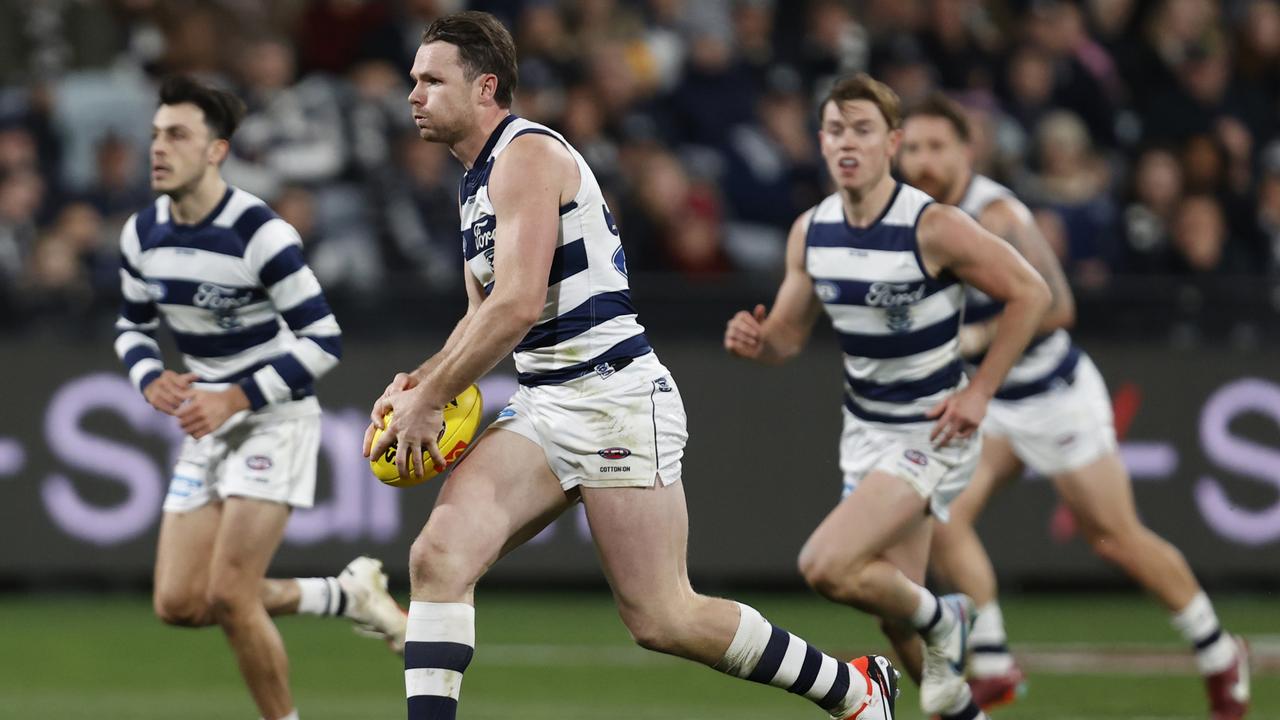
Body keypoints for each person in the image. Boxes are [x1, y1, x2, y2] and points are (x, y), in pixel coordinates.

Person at [362, 12, 898, 720]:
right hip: (547, 404)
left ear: (485, 86)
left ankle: (854, 690)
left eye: (432, 80)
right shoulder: (474, 182)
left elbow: (519, 304)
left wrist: (434, 394)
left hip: (614, 396)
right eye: (413, 81)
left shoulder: (525, 155)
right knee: (438, 557)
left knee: (663, 617)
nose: (415, 94)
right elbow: (479, 316)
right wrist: (417, 383)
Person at [898, 92, 1251, 719]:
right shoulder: (916, 217)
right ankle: (996, 661)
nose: (924, 160)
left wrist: (974, 339)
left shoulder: (997, 213)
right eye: (914, 148)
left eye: (937, 146)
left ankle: (1219, 649)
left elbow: (1058, 306)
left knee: (1114, 538)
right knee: (940, 514)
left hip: (1051, 394)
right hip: (992, 402)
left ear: (966, 150)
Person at [723, 74, 1051, 720]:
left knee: (824, 565)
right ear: (820, 142)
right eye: (837, 129)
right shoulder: (811, 233)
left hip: (931, 432)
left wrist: (981, 391)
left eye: (864, 129)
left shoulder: (932, 226)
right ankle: (957, 690)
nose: (849, 142)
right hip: (866, 434)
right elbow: (789, 337)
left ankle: (947, 614)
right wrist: (758, 341)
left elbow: (1032, 292)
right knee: (892, 620)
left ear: (892, 142)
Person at [114, 76, 407, 720]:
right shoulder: (142, 234)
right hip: (210, 425)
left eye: (178, 135)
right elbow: (132, 326)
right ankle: (348, 596)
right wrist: (148, 375)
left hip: (273, 417)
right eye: (157, 134)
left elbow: (323, 339)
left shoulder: (258, 232)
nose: (158, 148)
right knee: (180, 604)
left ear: (217, 151)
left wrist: (237, 397)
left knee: (230, 594)